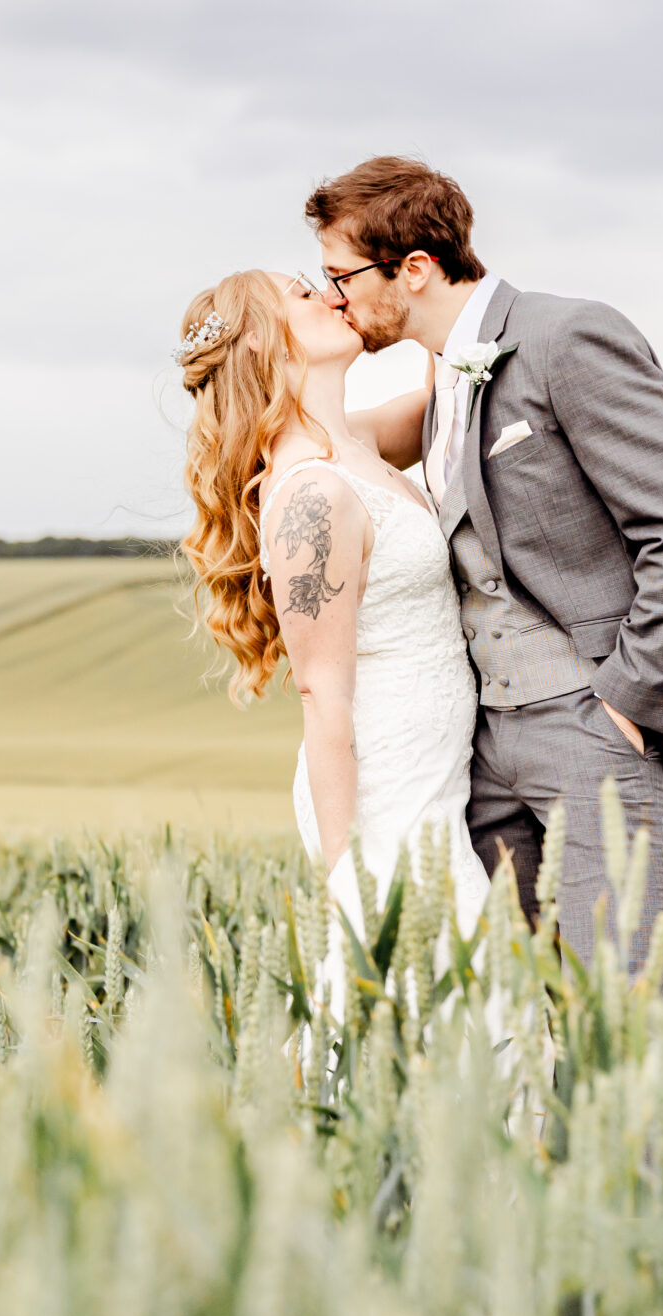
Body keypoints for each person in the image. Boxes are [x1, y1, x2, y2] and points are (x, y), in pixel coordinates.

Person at [305, 156, 663, 975]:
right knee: (533, 1021)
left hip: (594, 728)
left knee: (619, 1031)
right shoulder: (442, 379)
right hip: (482, 758)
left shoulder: (567, 337)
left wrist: (626, 706)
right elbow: (331, 441)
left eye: (342, 277)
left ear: (414, 269)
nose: (333, 296)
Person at [175, 269, 490, 1019]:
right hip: (386, 788)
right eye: (304, 294)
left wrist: (432, 291)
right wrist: (348, 874)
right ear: (264, 339)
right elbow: (322, 695)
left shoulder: (355, 442)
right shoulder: (312, 494)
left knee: (460, 999)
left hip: (435, 769)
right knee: (429, 996)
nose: (332, 294)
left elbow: (437, 405)